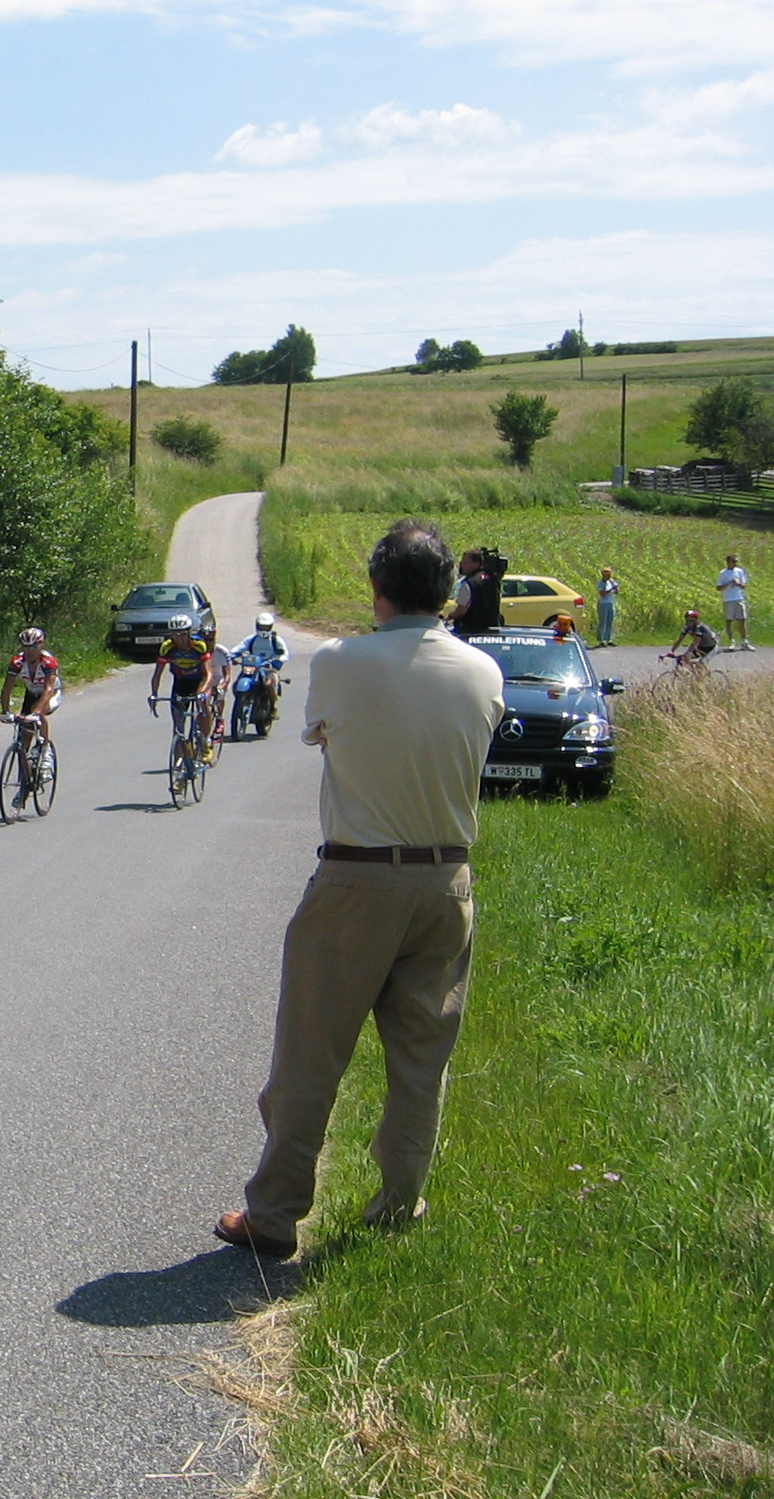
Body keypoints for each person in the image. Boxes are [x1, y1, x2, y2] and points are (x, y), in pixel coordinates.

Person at [214, 519, 504, 1262]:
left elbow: (321, 734)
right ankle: (397, 1205)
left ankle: (276, 1213)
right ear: (449, 590)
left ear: (377, 586)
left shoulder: (342, 662)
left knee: (309, 1058)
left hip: (356, 876)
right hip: (447, 881)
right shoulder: (484, 671)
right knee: (421, 1061)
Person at [148, 616, 214, 760]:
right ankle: (178, 761)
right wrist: (154, 694)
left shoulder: (199, 645)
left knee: (202, 704)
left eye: (183, 634)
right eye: (176, 634)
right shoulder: (167, 648)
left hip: (200, 680)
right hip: (181, 681)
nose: (180, 639)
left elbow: (209, 674)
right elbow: (157, 674)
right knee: (178, 724)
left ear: (189, 633)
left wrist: (203, 692)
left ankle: (205, 742)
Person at [1, 627, 61, 745]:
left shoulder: (48, 662)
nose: (29, 651)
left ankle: (45, 747)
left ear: (41, 646)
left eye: (33, 647)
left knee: (36, 712)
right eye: (26, 647)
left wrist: (36, 712)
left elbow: (49, 689)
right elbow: (7, 688)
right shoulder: (17, 662)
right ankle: (24, 755)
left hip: (51, 694)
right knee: (24, 735)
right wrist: (5, 711)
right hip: (31, 693)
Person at [232, 612, 289, 729]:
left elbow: (285, 653)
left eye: (266, 627)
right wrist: (231, 655)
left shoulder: (276, 640)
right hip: (253, 667)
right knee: (236, 684)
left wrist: (278, 660)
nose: (263, 630)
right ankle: (242, 702)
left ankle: (272, 708)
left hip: (269, 668)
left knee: (268, 684)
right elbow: (240, 647)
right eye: (261, 627)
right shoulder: (252, 639)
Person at [448, 549, 502, 638]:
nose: (462, 565)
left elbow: (461, 610)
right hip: (492, 633)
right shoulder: (492, 580)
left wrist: (449, 617)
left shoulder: (469, 583)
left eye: (465, 562)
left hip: (471, 633)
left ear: (476, 564)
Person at [718, 554, 754, 650]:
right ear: (728, 562)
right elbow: (719, 587)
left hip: (739, 598)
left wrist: (738, 584)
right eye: (733, 561)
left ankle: (745, 641)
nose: (735, 563)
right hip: (728, 599)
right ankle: (732, 642)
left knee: (742, 620)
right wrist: (730, 583)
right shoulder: (723, 573)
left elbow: (744, 585)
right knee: (729, 620)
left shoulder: (739, 571)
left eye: (736, 561)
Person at [595, 567, 618, 647]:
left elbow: (616, 592)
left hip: (610, 603)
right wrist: (610, 589)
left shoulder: (611, 581)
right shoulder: (601, 583)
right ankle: (601, 640)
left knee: (610, 621)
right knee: (603, 621)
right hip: (603, 603)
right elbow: (602, 594)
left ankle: (609, 639)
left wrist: (615, 587)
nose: (608, 575)